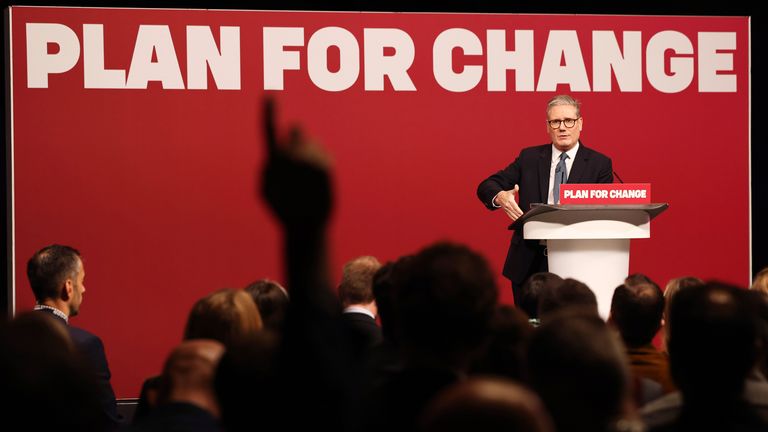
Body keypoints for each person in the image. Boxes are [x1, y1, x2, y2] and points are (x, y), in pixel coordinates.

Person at [477, 95, 613, 303]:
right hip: (529, 263)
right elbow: (487, 185)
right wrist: (501, 196)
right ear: (547, 126)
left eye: (569, 121)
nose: (562, 127)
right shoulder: (529, 158)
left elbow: (604, 215)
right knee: (529, 330)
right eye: (555, 122)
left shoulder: (599, 164)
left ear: (580, 123)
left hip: (577, 261)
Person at [26, 244, 122, 428]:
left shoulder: (10, 341)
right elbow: (107, 422)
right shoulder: (85, 346)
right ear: (68, 287)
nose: (84, 289)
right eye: (82, 280)